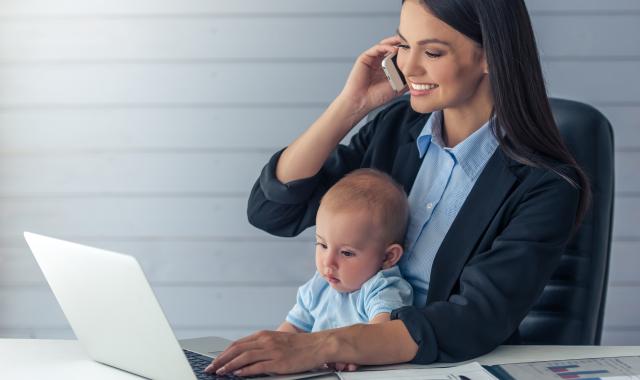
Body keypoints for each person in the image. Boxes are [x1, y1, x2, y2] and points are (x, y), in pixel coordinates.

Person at [206, 0, 591, 376]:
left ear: (490, 56)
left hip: (437, 368)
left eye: (434, 52)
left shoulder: (544, 183)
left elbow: (475, 319)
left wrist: (323, 345)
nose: (407, 66)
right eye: (403, 45)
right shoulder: (396, 127)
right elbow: (274, 212)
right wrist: (351, 105)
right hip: (344, 365)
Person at [277, 168, 413, 340]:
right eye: (322, 245)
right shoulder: (319, 287)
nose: (328, 262)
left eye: (347, 253)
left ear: (388, 257)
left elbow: (381, 334)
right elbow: (292, 329)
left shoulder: (381, 289)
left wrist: (349, 352)